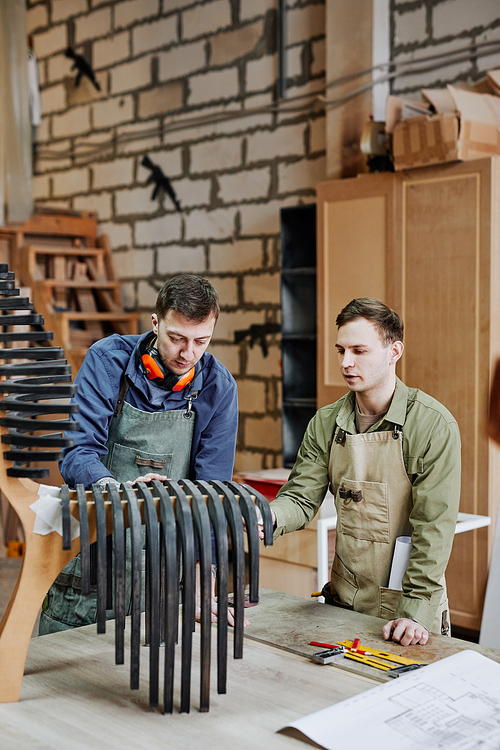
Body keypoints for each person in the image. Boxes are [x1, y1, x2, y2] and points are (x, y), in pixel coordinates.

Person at [39, 273, 239, 634]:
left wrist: (204, 580)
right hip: (96, 553)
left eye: (201, 342)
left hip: (165, 571)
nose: (188, 353)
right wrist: (117, 490)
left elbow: (212, 494)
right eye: (176, 338)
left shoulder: (218, 387)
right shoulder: (107, 361)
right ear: (155, 323)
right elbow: (76, 451)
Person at [265, 298, 461, 647]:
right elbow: (299, 498)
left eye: (359, 350)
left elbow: (433, 528)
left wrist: (415, 612)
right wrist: (263, 516)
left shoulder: (432, 425)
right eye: (341, 350)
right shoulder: (326, 423)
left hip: (405, 612)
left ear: (394, 351)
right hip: (342, 603)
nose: (345, 362)